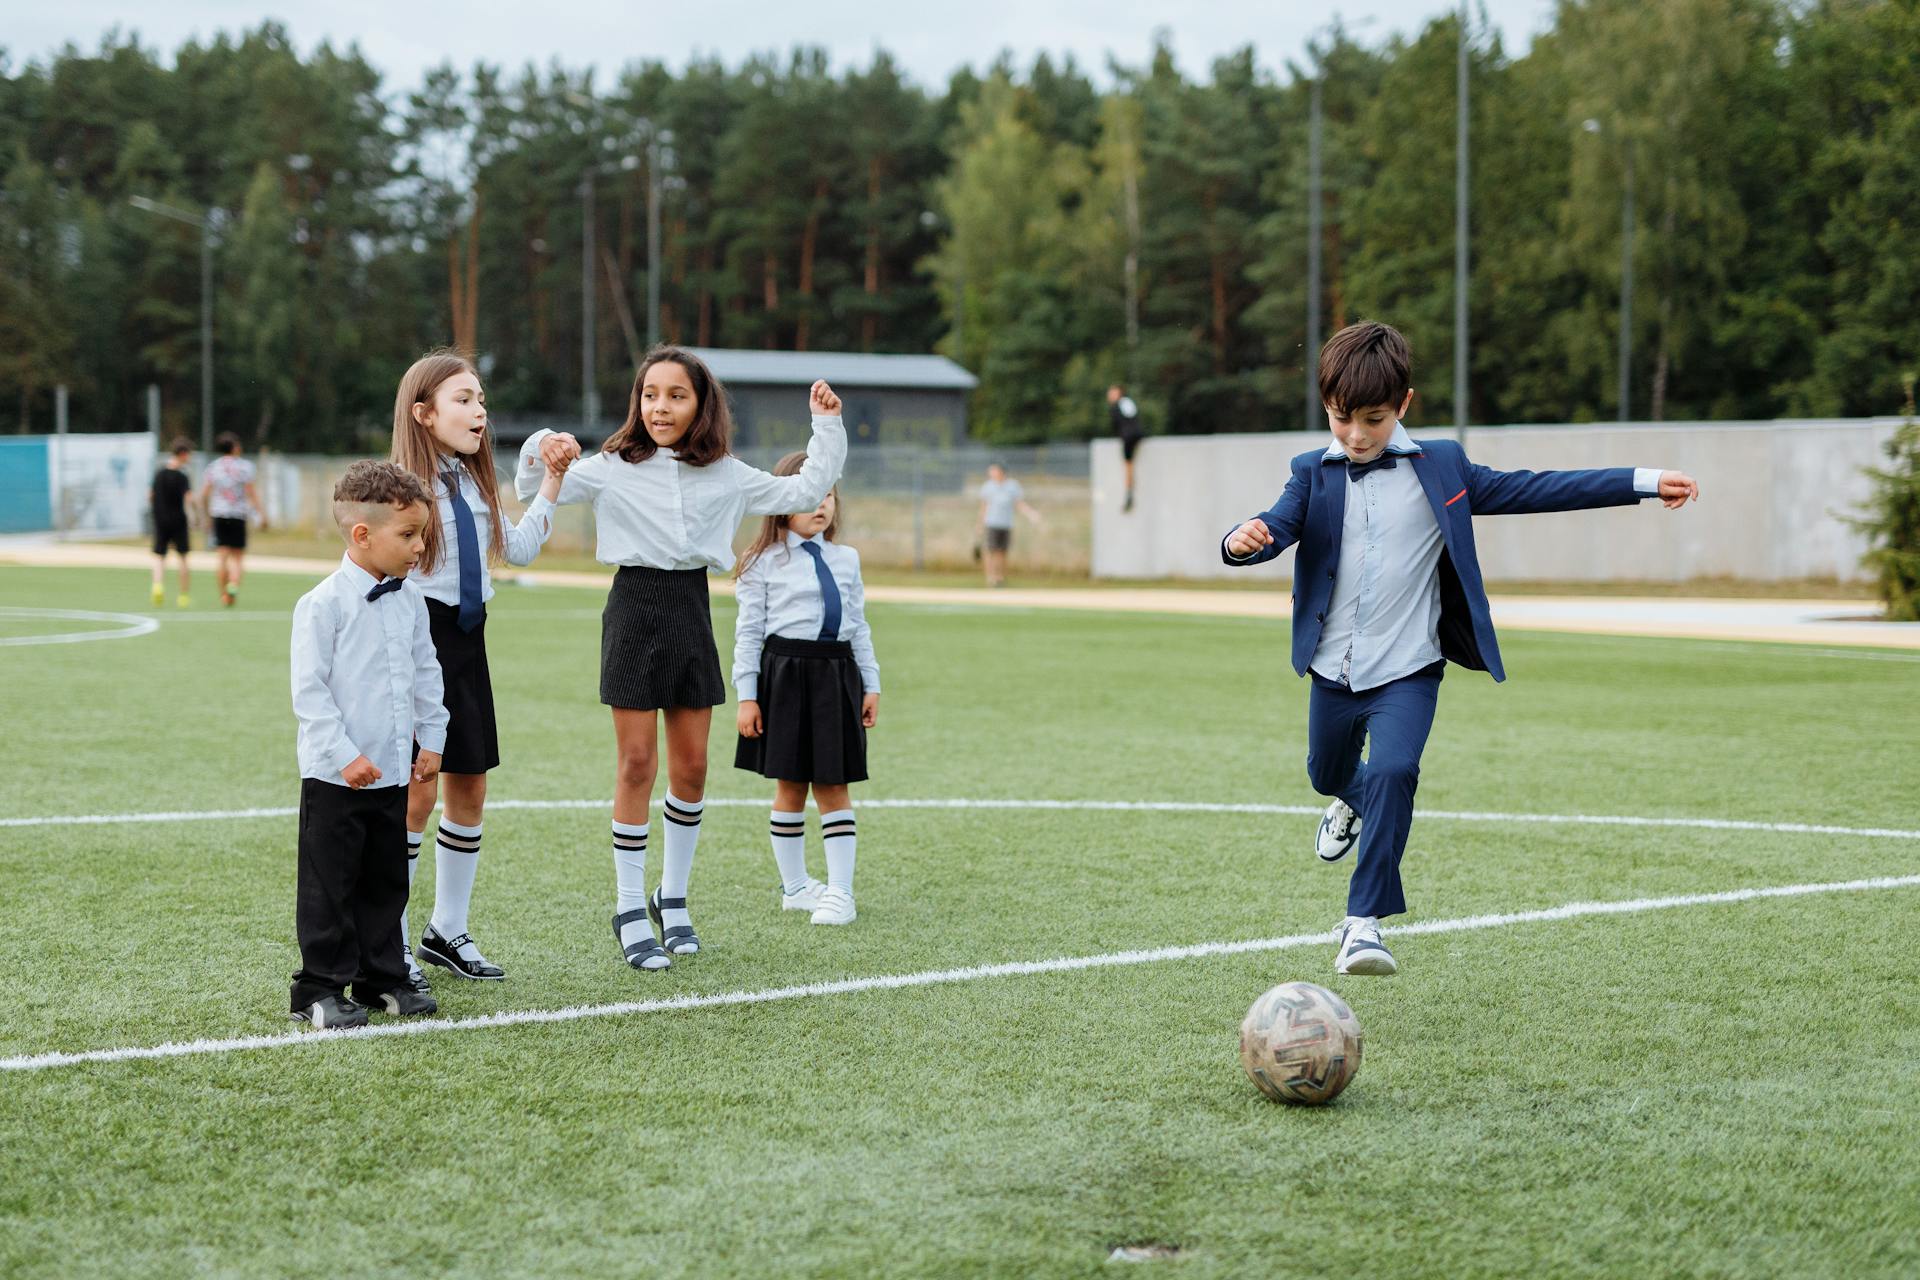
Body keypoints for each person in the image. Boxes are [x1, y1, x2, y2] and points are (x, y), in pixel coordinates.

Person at [1220, 320, 1698, 977]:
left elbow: (1539, 488)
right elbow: (1273, 527)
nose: (1356, 435)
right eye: (1340, 418)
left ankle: (1362, 925)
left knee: (1393, 773)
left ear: (1405, 405)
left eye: (1374, 419)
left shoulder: (1443, 467)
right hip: (1333, 669)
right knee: (1328, 775)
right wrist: (1243, 542)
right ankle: (1350, 800)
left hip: (1410, 669)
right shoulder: (1312, 473)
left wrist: (1643, 480)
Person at [518, 346, 846, 972]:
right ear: (636, 402)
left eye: (676, 395)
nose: (660, 407)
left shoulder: (725, 472)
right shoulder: (611, 465)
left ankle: (672, 897)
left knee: (692, 768)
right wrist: (546, 445)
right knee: (638, 762)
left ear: (701, 405)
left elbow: (804, 488)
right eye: (649, 395)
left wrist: (825, 426)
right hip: (634, 608)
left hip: (691, 611)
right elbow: (537, 487)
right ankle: (626, 907)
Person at [389, 349, 567, 990]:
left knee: (470, 788)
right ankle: (392, 940)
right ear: (423, 413)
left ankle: (446, 931)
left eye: (481, 399)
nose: (479, 411)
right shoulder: (402, 489)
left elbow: (515, 550)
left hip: (468, 643)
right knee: (417, 792)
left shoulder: (470, 481)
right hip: (418, 642)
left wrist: (549, 483)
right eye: (463, 399)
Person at [288, 460, 447, 1029]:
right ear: (362, 534)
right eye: (408, 535)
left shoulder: (409, 600)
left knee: (386, 882)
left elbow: (426, 673)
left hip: (394, 775)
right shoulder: (322, 605)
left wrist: (432, 740)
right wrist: (345, 756)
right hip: (337, 778)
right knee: (331, 886)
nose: (419, 547)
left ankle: (382, 978)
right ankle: (319, 989)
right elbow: (310, 695)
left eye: (422, 534)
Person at [731, 453, 881, 927]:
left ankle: (841, 892)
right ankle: (795, 887)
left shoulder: (847, 559)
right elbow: (749, 633)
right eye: (808, 494)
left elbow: (858, 626)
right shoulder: (761, 562)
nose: (821, 504)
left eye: (828, 494)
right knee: (790, 785)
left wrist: (870, 682)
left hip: (836, 675)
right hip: (784, 677)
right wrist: (748, 695)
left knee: (833, 784)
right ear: (781, 501)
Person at [199, 432, 266, 607]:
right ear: (235, 447)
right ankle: (233, 585)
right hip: (238, 514)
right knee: (238, 557)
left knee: (222, 556)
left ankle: (224, 595)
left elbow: (204, 494)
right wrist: (261, 514)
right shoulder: (245, 467)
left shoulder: (213, 467)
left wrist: (206, 515)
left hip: (219, 514)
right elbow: (251, 493)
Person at [975, 462, 1045, 587]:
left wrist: (1031, 514)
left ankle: (1000, 577)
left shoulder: (1012, 486)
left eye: (993, 470)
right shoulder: (988, 486)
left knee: (1002, 551)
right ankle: (990, 578)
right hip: (992, 523)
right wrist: (980, 524)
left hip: (1006, 523)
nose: (991, 473)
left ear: (1001, 471)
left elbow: (1018, 503)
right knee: (991, 551)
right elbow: (983, 507)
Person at [149, 438, 195, 608]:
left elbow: (150, 495)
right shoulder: (182, 476)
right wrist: (195, 516)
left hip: (160, 519)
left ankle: (158, 586)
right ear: (183, 454)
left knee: (160, 556)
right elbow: (189, 499)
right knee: (182, 557)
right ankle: (183, 595)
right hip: (178, 520)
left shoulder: (159, 473)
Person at [1109, 385, 1144, 512]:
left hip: (1128, 437)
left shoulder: (1115, 407)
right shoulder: (1128, 402)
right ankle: (1129, 491)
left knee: (1128, 464)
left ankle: (1129, 492)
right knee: (1129, 463)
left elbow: (1117, 425)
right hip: (1138, 434)